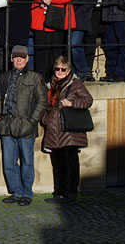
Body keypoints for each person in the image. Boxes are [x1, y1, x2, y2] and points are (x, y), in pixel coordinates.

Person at [0, 45, 47, 206]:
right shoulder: (4, 77)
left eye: (22, 57)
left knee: (27, 161)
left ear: (27, 59)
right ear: (11, 59)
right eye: (16, 56)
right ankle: (16, 191)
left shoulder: (35, 78)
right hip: (7, 124)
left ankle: (26, 192)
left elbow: (42, 101)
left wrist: (32, 121)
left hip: (26, 125)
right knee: (9, 161)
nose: (19, 59)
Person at [42, 56, 93, 203]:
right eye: (57, 69)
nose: (59, 72)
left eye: (63, 69)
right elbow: (46, 105)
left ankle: (70, 192)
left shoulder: (75, 84)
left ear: (68, 70)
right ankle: (60, 192)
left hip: (70, 132)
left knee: (70, 162)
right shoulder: (50, 85)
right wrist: (45, 119)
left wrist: (72, 103)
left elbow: (88, 100)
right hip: (54, 130)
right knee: (58, 164)